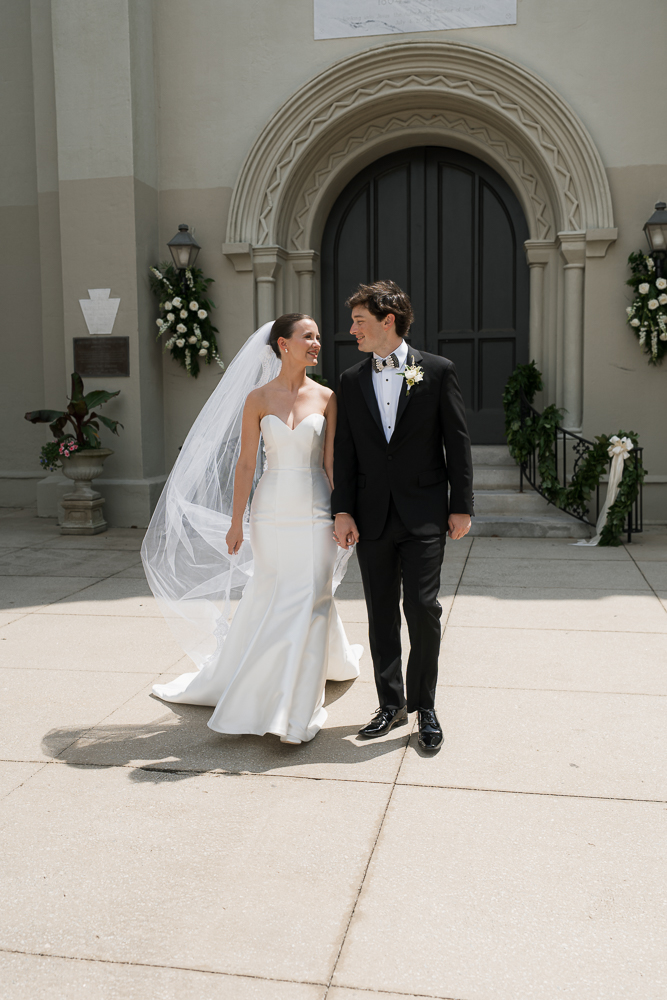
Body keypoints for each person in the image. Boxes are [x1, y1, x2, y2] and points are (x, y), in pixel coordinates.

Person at [142, 315, 361, 745]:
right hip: (270, 511)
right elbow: (246, 464)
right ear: (283, 344)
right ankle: (258, 685)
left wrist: (343, 513)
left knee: (315, 593)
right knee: (273, 590)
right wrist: (236, 520)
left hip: (316, 508)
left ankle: (296, 711)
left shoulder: (329, 397)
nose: (317, 343)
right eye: (308, 337)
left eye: (318, 337)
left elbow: (332, 462)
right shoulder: (257, 398)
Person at [331, 281, 474, 750]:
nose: (352, 329)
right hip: (371, 516)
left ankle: (424, 705)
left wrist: (461, 505)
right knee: (380, 613)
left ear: (387, 320)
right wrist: (344, 510)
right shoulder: (350, 380)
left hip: (426, 513)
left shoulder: (436, 370)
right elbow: (346, 452)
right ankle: (390, 705)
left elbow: (456, 440)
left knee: (423, 609)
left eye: (359, 321)